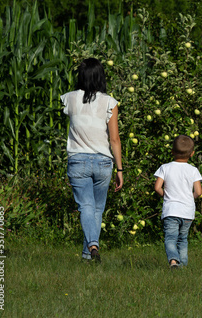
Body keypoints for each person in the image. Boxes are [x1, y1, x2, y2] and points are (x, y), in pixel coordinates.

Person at [61, 58, 123, 263]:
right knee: (97, 209)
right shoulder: (109, 102)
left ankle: (92, 247)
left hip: (78, 160)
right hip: (104, 162)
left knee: (85, 206)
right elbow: (114, 139)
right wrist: (120, 169)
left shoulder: (69, 99)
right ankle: (90, 252)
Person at [154, 135, 202, 269]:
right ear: (192, 154)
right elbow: (199, 192)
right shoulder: (193, 170)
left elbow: (157, 187)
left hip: (171, 211)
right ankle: (183, 266)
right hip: (187, 212)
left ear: (172, 152)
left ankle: (174, 261)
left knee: (170, 238)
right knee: (183, 239)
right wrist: (188, 197)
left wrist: (167, 196)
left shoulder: (165, 167)